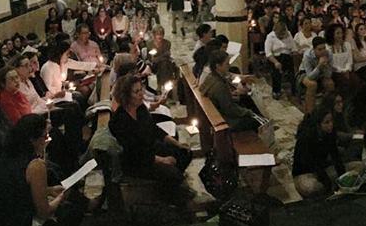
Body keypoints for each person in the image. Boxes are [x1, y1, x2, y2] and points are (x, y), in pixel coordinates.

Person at [0, 114, 86, 226]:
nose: (47, 139)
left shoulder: (7, 155)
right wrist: (60, 197)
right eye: (44, 136)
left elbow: (17, 186)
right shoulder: (36, 165)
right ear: (33, 139)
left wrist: (48, 190)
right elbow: (44, 211)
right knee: (74, 211)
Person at [109, 74, 192, 204]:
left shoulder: (141, 108)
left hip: (150, 148)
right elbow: (133, 152)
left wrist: (177, 143)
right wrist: (162, 160)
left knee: (185, 152)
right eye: (136, 92)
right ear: (126, 95)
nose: (142, 94)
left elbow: (154, 129)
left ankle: (170, 186)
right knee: (172, 173)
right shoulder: (119, 121)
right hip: (136, 162)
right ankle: (169, 197)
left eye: (141, 89)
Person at [291, 104, 363, 198]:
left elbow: (335, 156)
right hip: (306, 173)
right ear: (318, 124)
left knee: (359, 166)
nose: (331, 125)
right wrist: (327, 183)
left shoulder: (330, 133)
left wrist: (343, 178)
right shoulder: (306, 137)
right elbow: (312, 163)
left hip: (324, 168)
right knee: (312, 187)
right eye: (326, 122)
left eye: (331, 121)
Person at [200, 50, 262, 132]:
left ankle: (262, 119)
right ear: (218, 66)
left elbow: (224, 97)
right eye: (227, 64)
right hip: (223, 118)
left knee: (245, 98)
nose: (229, 66)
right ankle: (258, 136)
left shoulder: (211, 76)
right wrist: (247, 112)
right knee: (254, 121)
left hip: (218, 110)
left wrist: (232, 94)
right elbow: (229, 109)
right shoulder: (219, 85)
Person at [298, 36, 331, 114]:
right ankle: (310, 112)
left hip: (321, 72)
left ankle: (327, 108)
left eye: (324, 48)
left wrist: (326, 67)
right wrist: (319, 66)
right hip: (305, 73)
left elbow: (328, 75)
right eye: (320, 49)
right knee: (312, 84)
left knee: (330, 84)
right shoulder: (307, 56)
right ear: (314, 49)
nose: (323, 51)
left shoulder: (328, 54)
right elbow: (310, 76)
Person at [265, 20, 295, 100]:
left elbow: (292, 47)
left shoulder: (288, 34)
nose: (281, 37)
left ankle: (294, 90)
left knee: (292, 68)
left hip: (287, 56)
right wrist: (276, 62)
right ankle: (276, 91)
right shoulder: (270, 37)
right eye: (279, 35)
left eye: (283, 35)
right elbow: (268, 53)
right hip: (274, 58)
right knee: (276, 71)